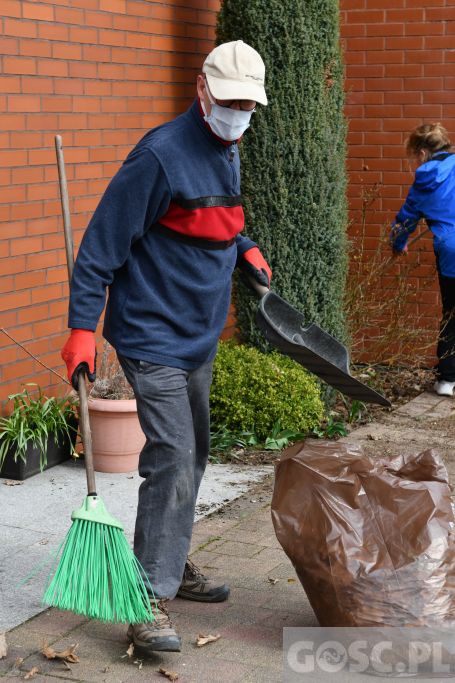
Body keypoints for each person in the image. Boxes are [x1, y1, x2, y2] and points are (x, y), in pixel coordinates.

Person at [60, 40, 271, 653]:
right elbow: (100, 247)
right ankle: (147, 596)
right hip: (151, 336)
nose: (238, 115)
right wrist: (81, 327)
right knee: (173, 454)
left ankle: (170, 563)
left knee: (196, 452)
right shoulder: (159, 156)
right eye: (229, 101)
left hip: (199, 334)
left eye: (247, 105)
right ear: (202, 90)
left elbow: (216, 219)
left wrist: (243, 247)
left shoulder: (226, 148)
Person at [390, 122, 455, 396]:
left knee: (452, 313)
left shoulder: (423, 179)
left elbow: (406, 218)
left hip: (449, 249)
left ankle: (447, 380)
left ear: (422, 152)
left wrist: (397, 244)